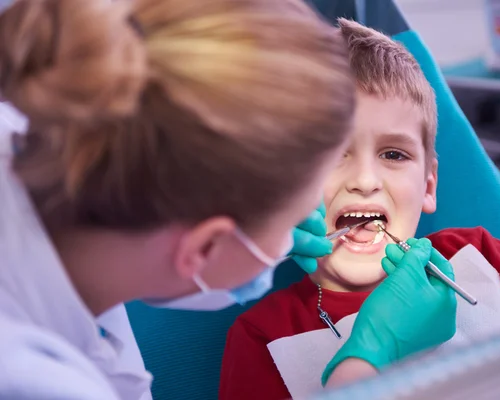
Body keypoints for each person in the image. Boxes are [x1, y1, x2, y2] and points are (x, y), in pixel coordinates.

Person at [0, 1, 457, 399]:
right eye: (290, 221)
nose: (362, 181)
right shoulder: (32, 382)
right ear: (203, 248)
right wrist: (366, 366)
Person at [219, 19, 500, 400]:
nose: (365, 180)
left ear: (428, 186)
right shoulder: (261, 339)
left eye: (393, 154)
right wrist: (372, 355)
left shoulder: (481, 258)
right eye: (329, 154)